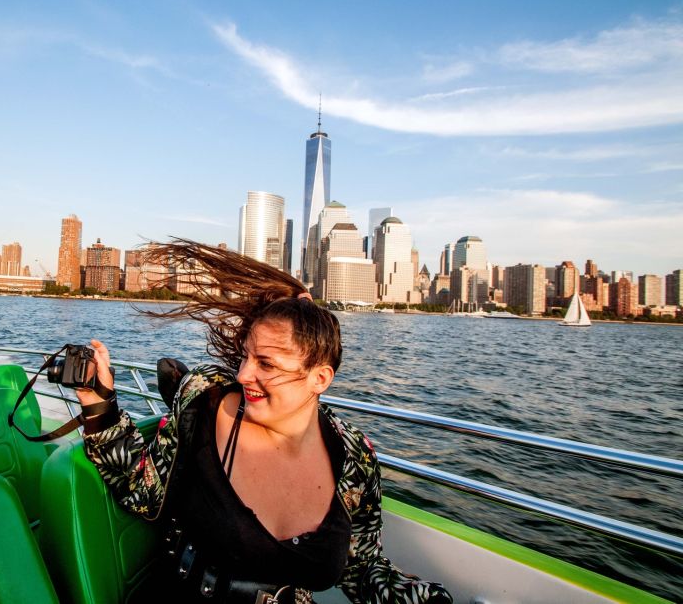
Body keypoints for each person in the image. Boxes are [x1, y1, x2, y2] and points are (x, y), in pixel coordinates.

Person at [74, 240, 451, 604]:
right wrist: (96, 399)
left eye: (266, 364)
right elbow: (141, 488)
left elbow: (362, 568)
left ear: (319, 378)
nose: (243, 375)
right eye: (246, 357)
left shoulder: (355, 456)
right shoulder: (207, 401)